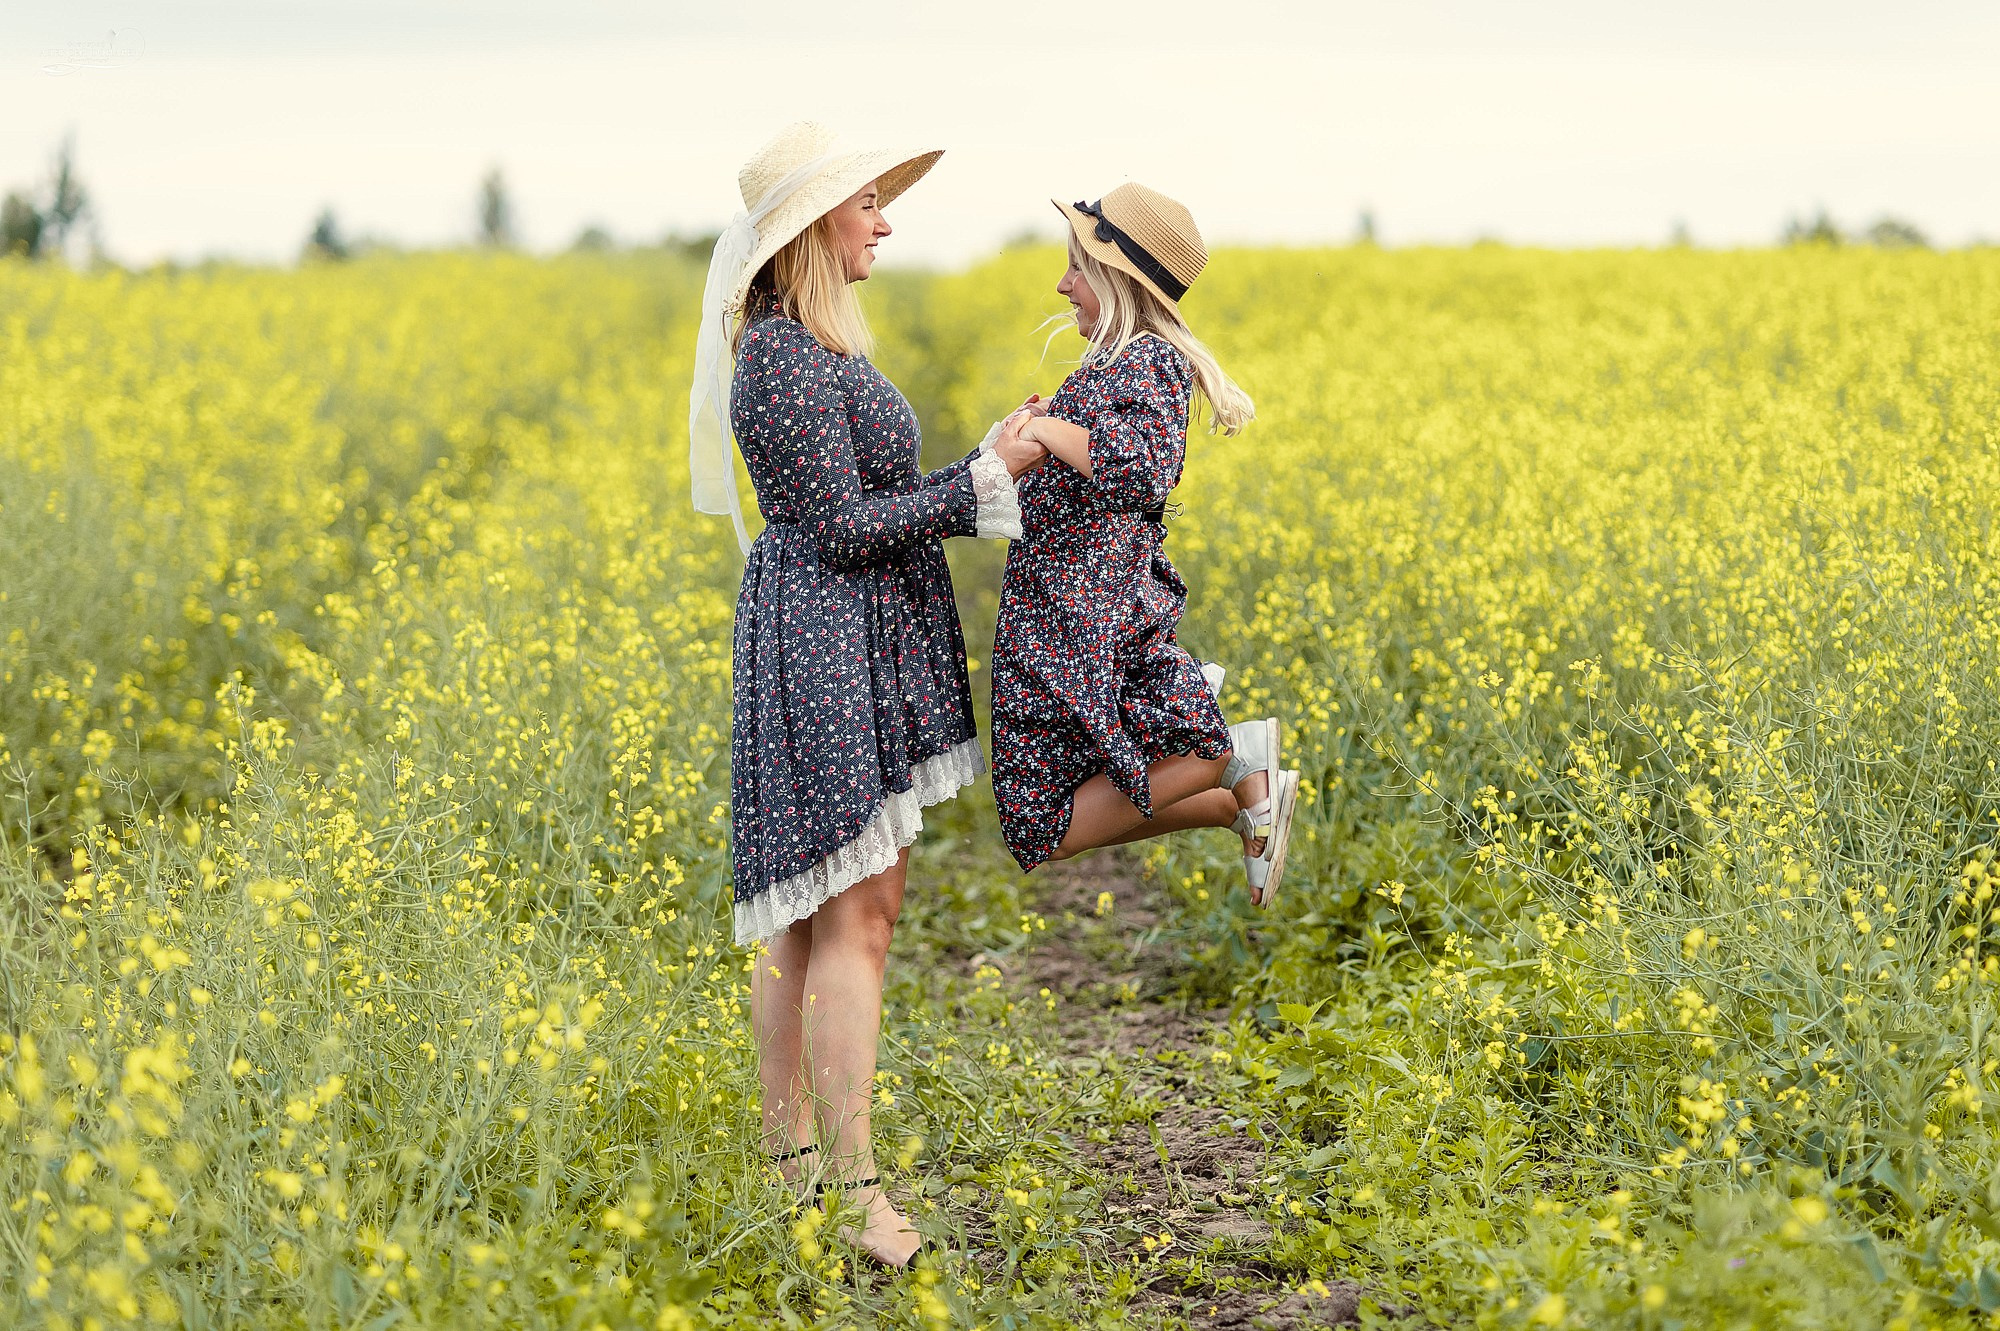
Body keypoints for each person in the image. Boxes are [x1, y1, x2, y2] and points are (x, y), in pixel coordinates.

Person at [687, 121, 1043, 1267]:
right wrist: (988, 482)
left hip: (849, 637)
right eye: (865, 205)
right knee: (849, 916)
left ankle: (793, 1175)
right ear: (809, 230)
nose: (883, 219)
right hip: (828, 640)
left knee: (818, 918)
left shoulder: (811, 349)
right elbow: (838, 529)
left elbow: (859, 498)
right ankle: (848, 1192)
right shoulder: (785, 358)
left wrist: (977, 460)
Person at [988, 183, 1300, 905]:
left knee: (1046, 823)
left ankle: (1235, 761)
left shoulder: (1150, 362)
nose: (1062, 282)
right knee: (1039, 821)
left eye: (1077, 266)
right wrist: (1025, 435)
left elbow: (1140, 467)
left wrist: (1046, 432)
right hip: (1055, 624)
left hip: (1083, 626)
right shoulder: (1107, 366)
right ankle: (1241, 797)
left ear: (1117, 279)